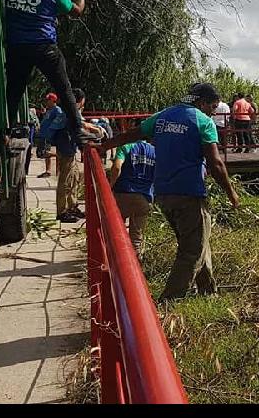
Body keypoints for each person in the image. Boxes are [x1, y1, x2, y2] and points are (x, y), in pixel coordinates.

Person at [99, 83, 240, 303]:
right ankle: (169, 300)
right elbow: (216, 164)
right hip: (190, 193)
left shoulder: (163, 116)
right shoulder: (203, 122)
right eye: (212, 106)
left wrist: (105, 146)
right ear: (201, 102)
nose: (214, 111)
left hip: (163, 194)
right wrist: (231, 193)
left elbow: (132, 134)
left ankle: (208, 291)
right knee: (192, 249)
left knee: (198, 239)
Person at [2, 0, 100, 146]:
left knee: (14, 90)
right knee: (64, 89)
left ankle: (5, 132)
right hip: (44, 47)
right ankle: (78, 130)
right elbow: (76, 11)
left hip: (17, 47)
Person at [51, 88, 92, 223]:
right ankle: (62, 211)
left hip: (69, 148)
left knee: (74, 177)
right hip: (66, 148)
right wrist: (95, 132)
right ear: (79, 102)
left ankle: (72, 205)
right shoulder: (69, 113)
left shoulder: (69, 111)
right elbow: (80, 127)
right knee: (65, 179)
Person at [109, 136, 156, 254]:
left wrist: (110, 186)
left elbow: (116, 167)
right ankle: (136, 266)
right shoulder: (155, 152)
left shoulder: (126, 146)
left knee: (117, 233)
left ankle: (115, 262)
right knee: (136, 240)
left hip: (123, 194)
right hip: (144, 198)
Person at [36, 92, 61, 178]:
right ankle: (48, 171)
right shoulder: (48, 110)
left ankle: (60, 155)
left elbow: (59, 120)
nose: (46, 102)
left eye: (48, 100)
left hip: (50, 134)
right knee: (43, 152)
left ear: (53, 100)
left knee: (44, 152)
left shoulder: (57, 110)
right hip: (44, 134)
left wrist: (53, 129)